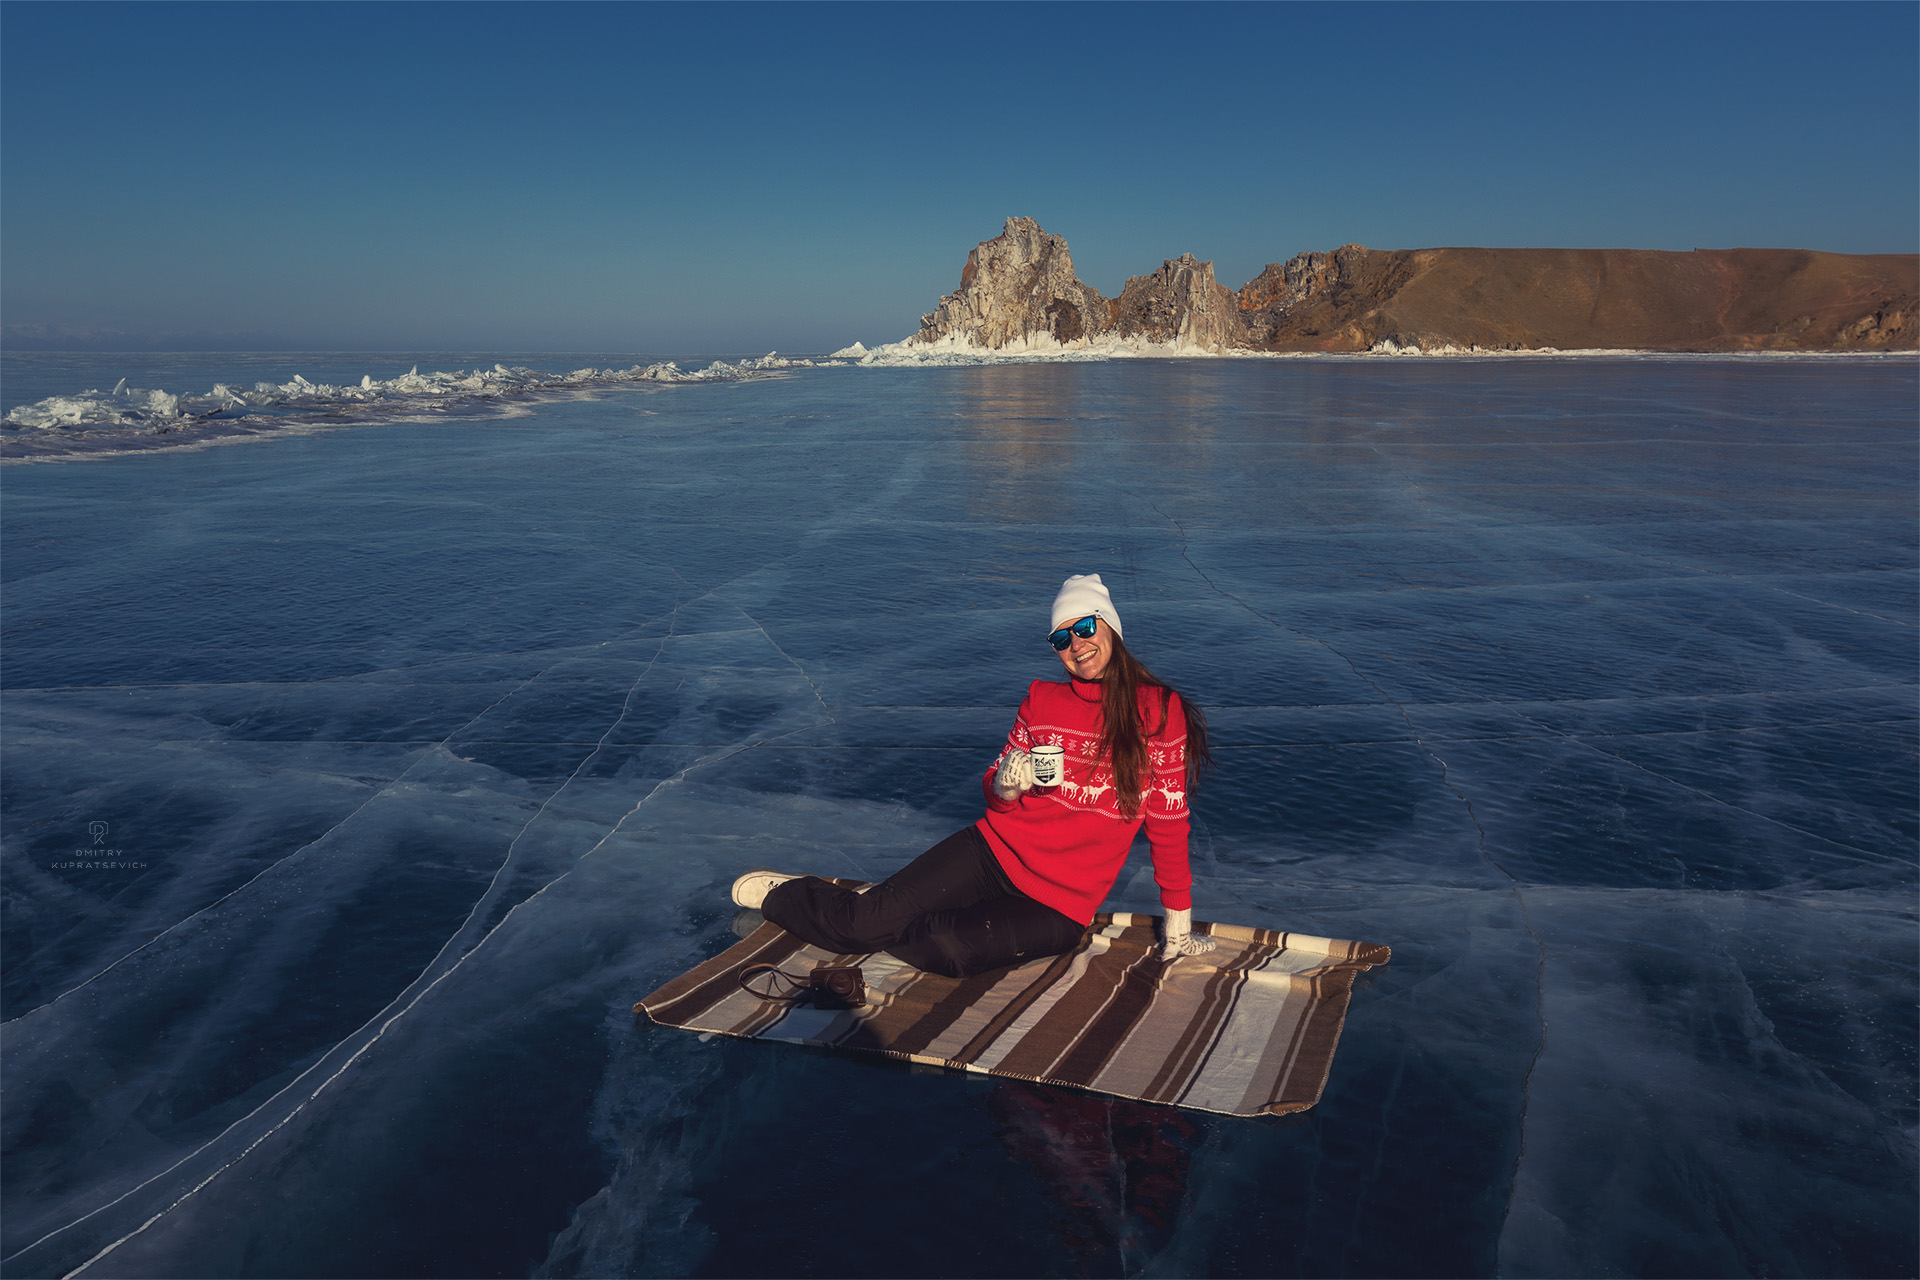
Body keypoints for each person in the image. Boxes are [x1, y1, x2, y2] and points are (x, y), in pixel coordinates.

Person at [732, 573, 1214, 979]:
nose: (1076, 645)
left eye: (1084, 627)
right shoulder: (1042, 701)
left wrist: (1177, 923)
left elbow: (1168, 821)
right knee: (859, 928)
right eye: (1061, 638)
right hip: (991, 852)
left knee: (950, 950)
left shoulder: (1159, 711)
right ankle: (792, 895)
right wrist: (1003, 785)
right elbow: (994, 788)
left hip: (1061, 903)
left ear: (1110, 626)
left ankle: (873, 912)